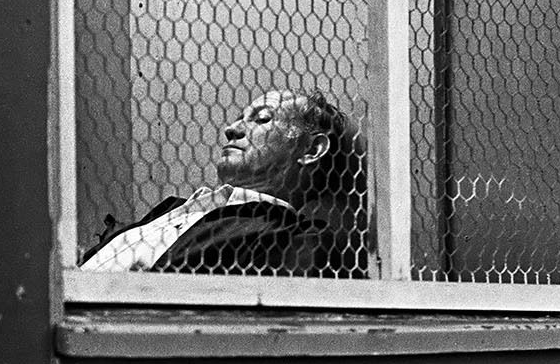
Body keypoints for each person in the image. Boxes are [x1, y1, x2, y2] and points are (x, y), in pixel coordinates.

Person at [80, 89, 366, 277]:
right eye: (239, 119)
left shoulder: (291, 237)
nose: (232, 129)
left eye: (262, 119)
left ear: (311, 150)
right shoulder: (175, 209)